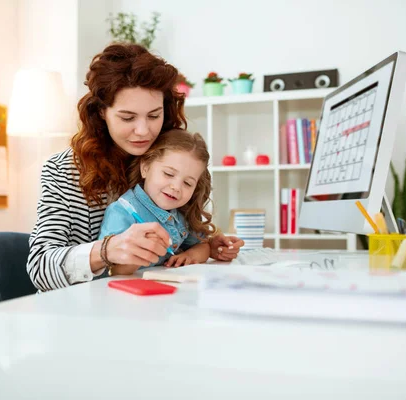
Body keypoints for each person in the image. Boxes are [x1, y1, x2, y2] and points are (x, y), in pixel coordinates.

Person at [27, 43, 244, 291]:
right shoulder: (63, 169)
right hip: (81, 310)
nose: (143, 131)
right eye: (127, 118)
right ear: (101, 113)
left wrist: (205, 244)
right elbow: (39, 268)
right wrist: (106, 250)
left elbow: (177, 239)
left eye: (154, 115)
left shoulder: (169, 161)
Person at [98, 129, 214, 274]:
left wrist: (189, 256)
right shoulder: (122, 212)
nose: (176, 187)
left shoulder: (180, 215)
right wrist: (142, 250)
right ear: (145, 167)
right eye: (168, 174)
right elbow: (113, 271)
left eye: (188, 183)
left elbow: (204, 246)